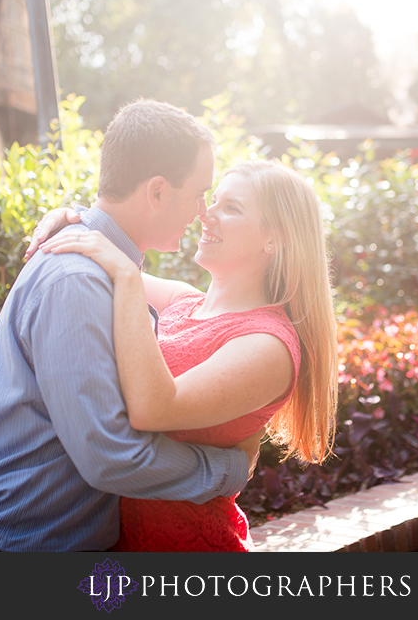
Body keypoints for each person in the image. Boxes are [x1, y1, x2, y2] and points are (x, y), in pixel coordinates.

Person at [0, 99, 262, 552]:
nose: (202, 211)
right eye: (198, 194)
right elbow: (110, 458)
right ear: (156, 192)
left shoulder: (101, 265)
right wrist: (230, 469)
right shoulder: (78, 280)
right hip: (31, 544)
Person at [27, 158, 339, 551]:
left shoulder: (268, 345)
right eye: (212, 201)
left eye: (232, 208)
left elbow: (153, 409)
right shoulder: (181, 301)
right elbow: (91, 250)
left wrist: (125, 276)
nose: (205, 215)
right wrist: (69, 217)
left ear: (274, 240)